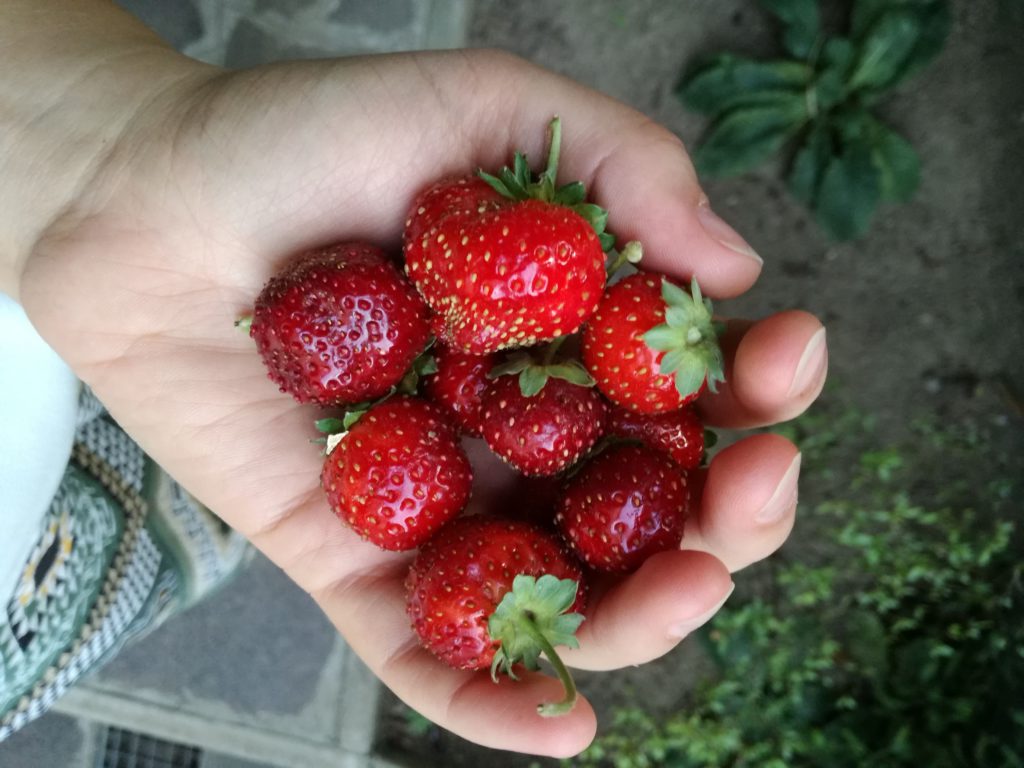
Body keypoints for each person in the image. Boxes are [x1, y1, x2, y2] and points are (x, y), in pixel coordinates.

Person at [0, 0, 827, 758]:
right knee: (161, 542)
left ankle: (184, 528)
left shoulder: (475, 323)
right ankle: (191, 534)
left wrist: (106, 161)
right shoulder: (505, 314)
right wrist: (97, 168)